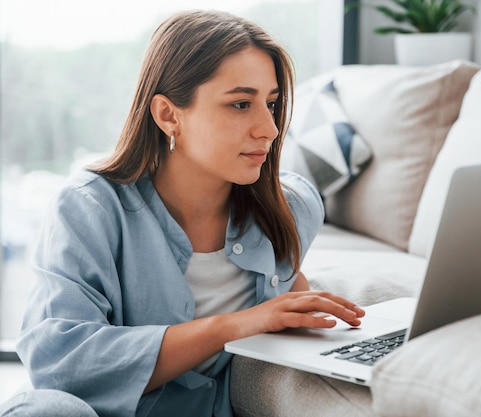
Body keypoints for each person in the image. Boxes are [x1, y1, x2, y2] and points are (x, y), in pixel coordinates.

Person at [0, 9, 364, 417]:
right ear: (168, 115)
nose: (270, 128)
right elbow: (60, 363)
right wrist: (236, 324)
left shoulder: (293, 206)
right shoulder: (89, 207)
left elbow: (290, 288)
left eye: (272, 103)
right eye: (241, 104)